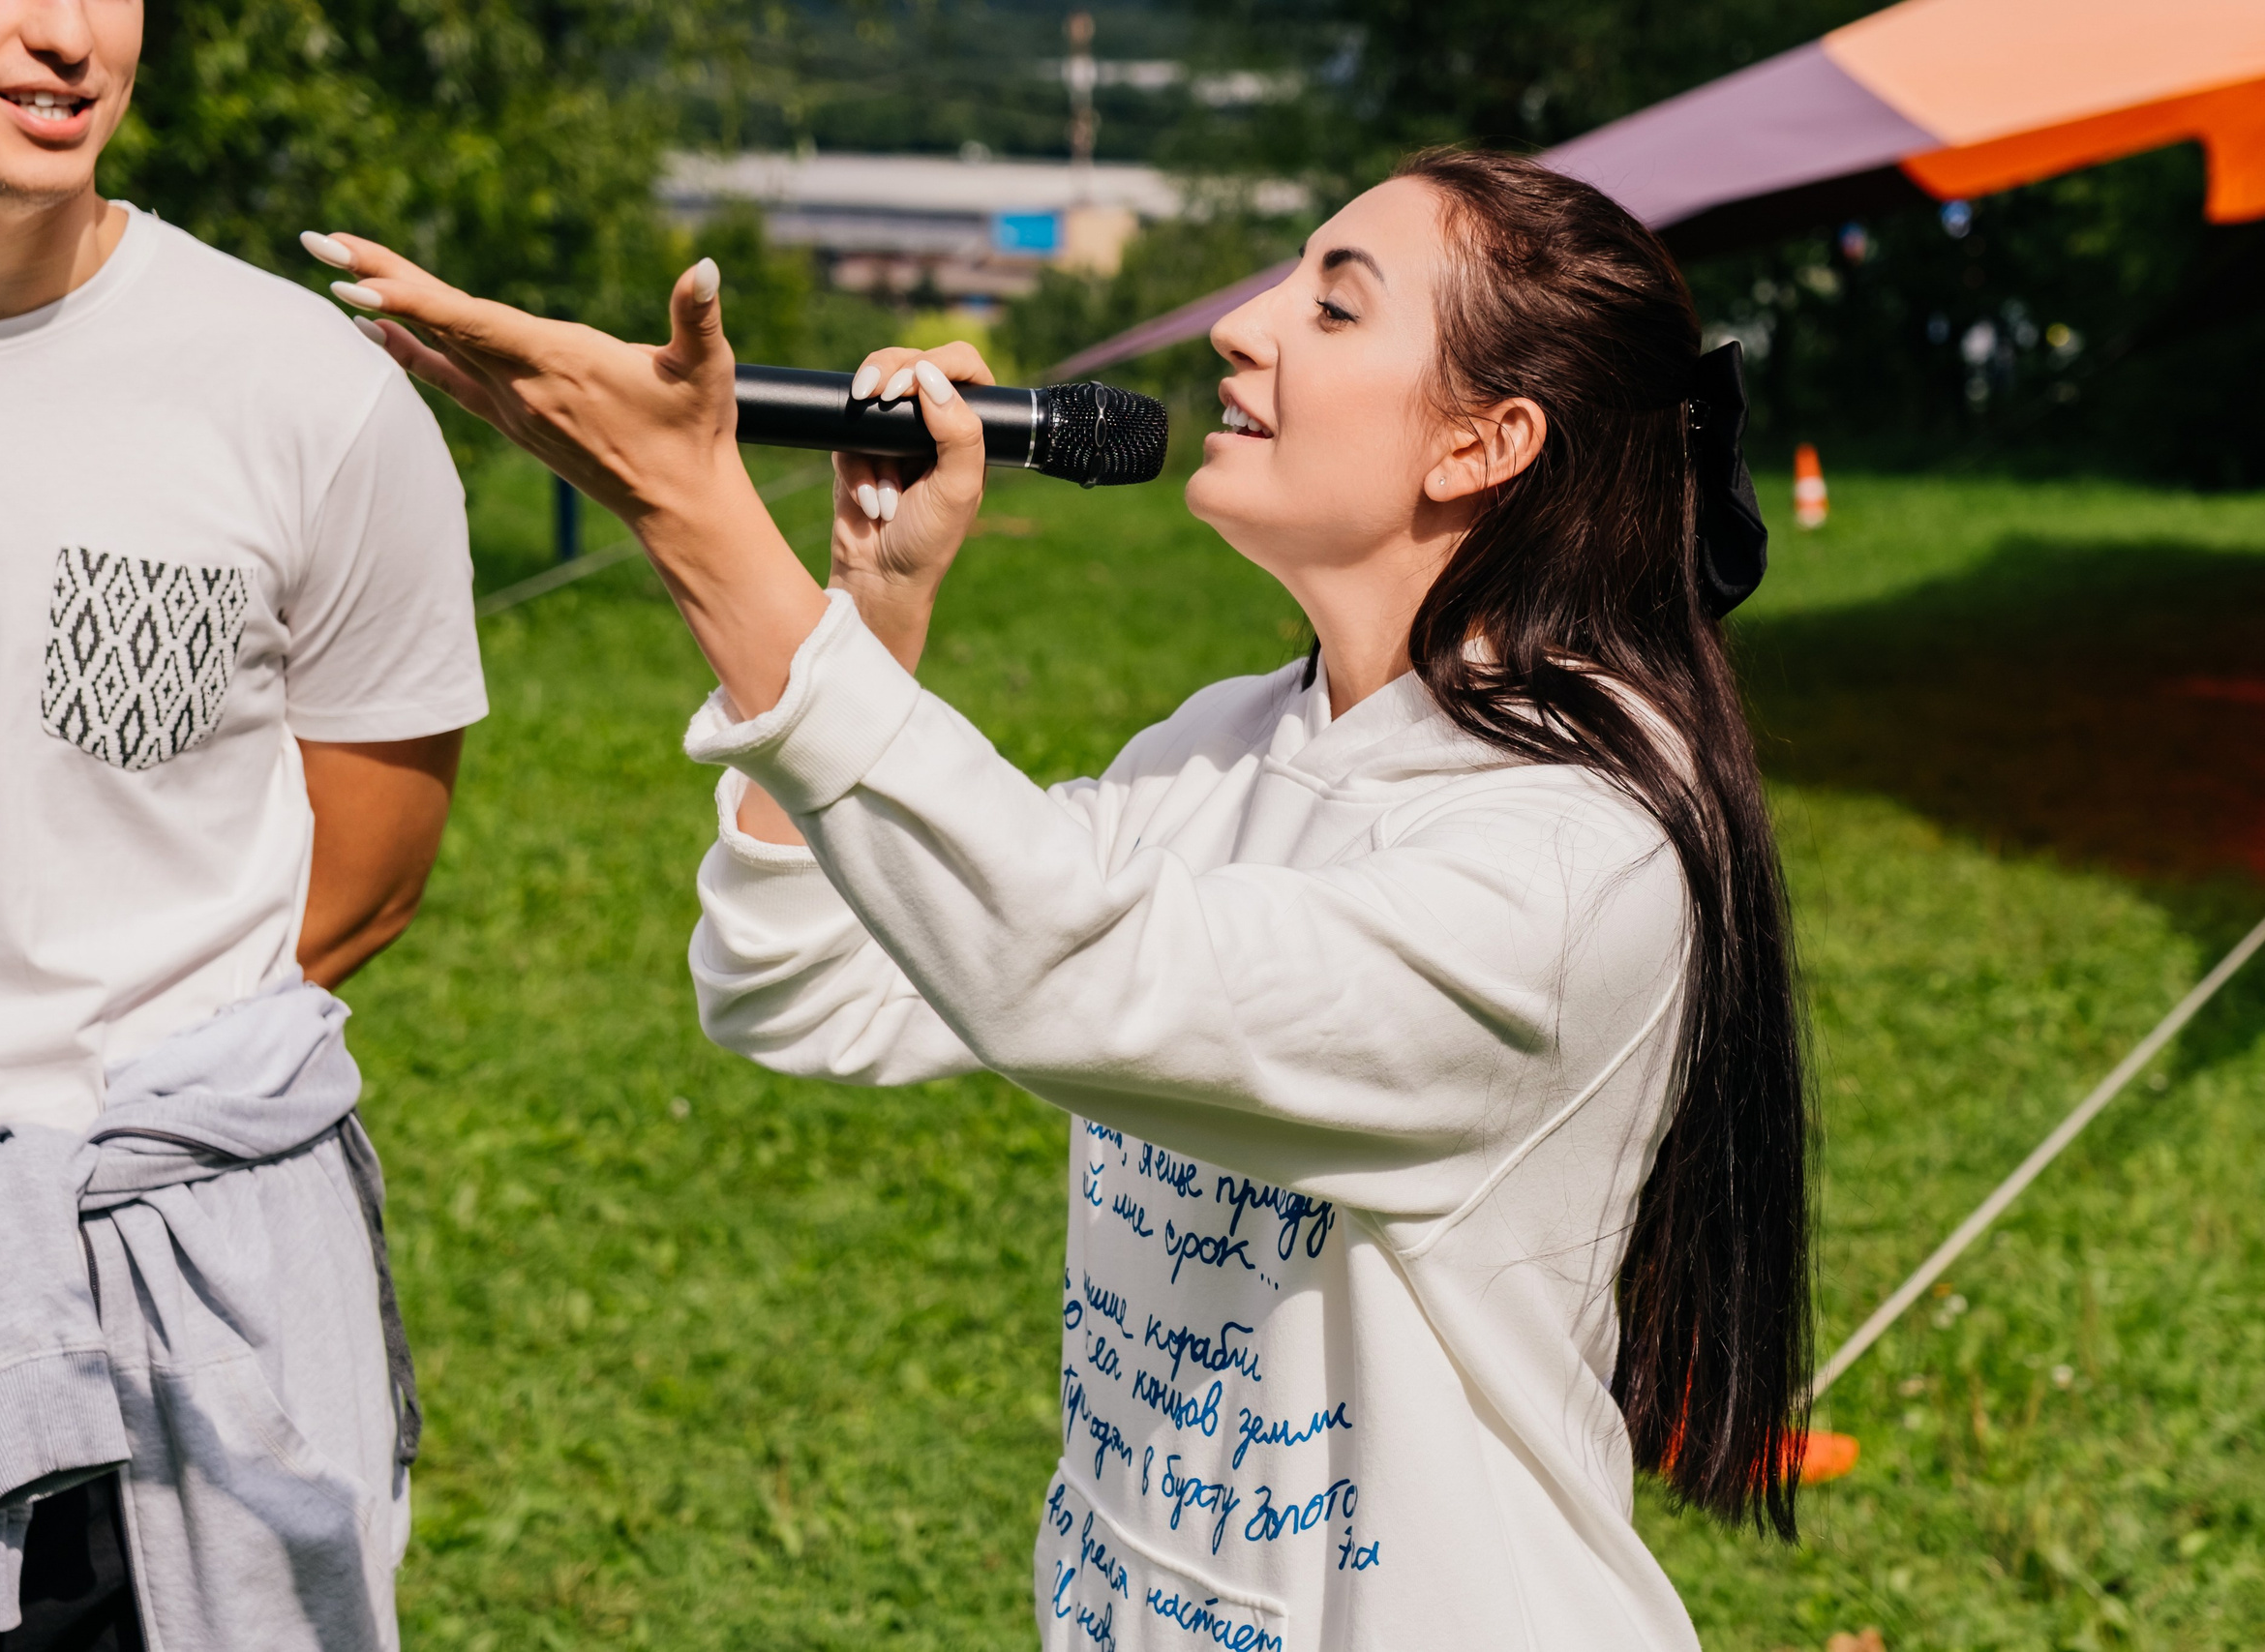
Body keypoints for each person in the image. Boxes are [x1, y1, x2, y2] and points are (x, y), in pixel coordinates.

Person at [326, 144, 1809, 1648]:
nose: (1242, 325)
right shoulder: (1227, 746)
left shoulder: (1576, 855)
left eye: (1334, 306)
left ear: (1484, 443)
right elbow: (805, 987)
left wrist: (696, 518)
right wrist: (870, 612)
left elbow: (1079, 977)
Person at [0, 0, 484, 1646]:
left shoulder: (308, 393)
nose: (67, 33)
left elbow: (368, 875)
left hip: (197, 1347)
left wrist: (75, 1147)